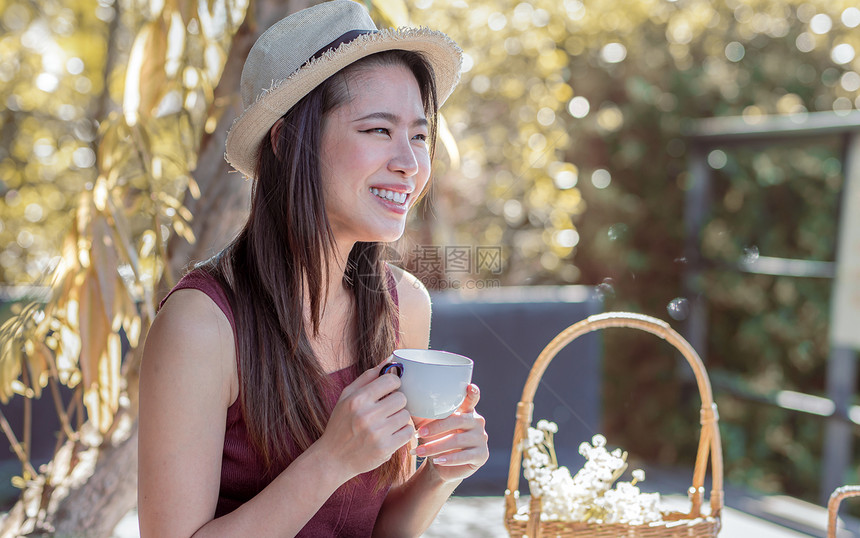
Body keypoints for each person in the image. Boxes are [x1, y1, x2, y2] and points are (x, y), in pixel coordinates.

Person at [137, 1, 489, 536]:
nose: (410, 162)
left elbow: (377, 527)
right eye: (377, 130)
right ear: (287, 140)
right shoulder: (201, 325)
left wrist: (439, 475)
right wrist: (331, 461)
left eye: (419, 135)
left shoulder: (403, 305)